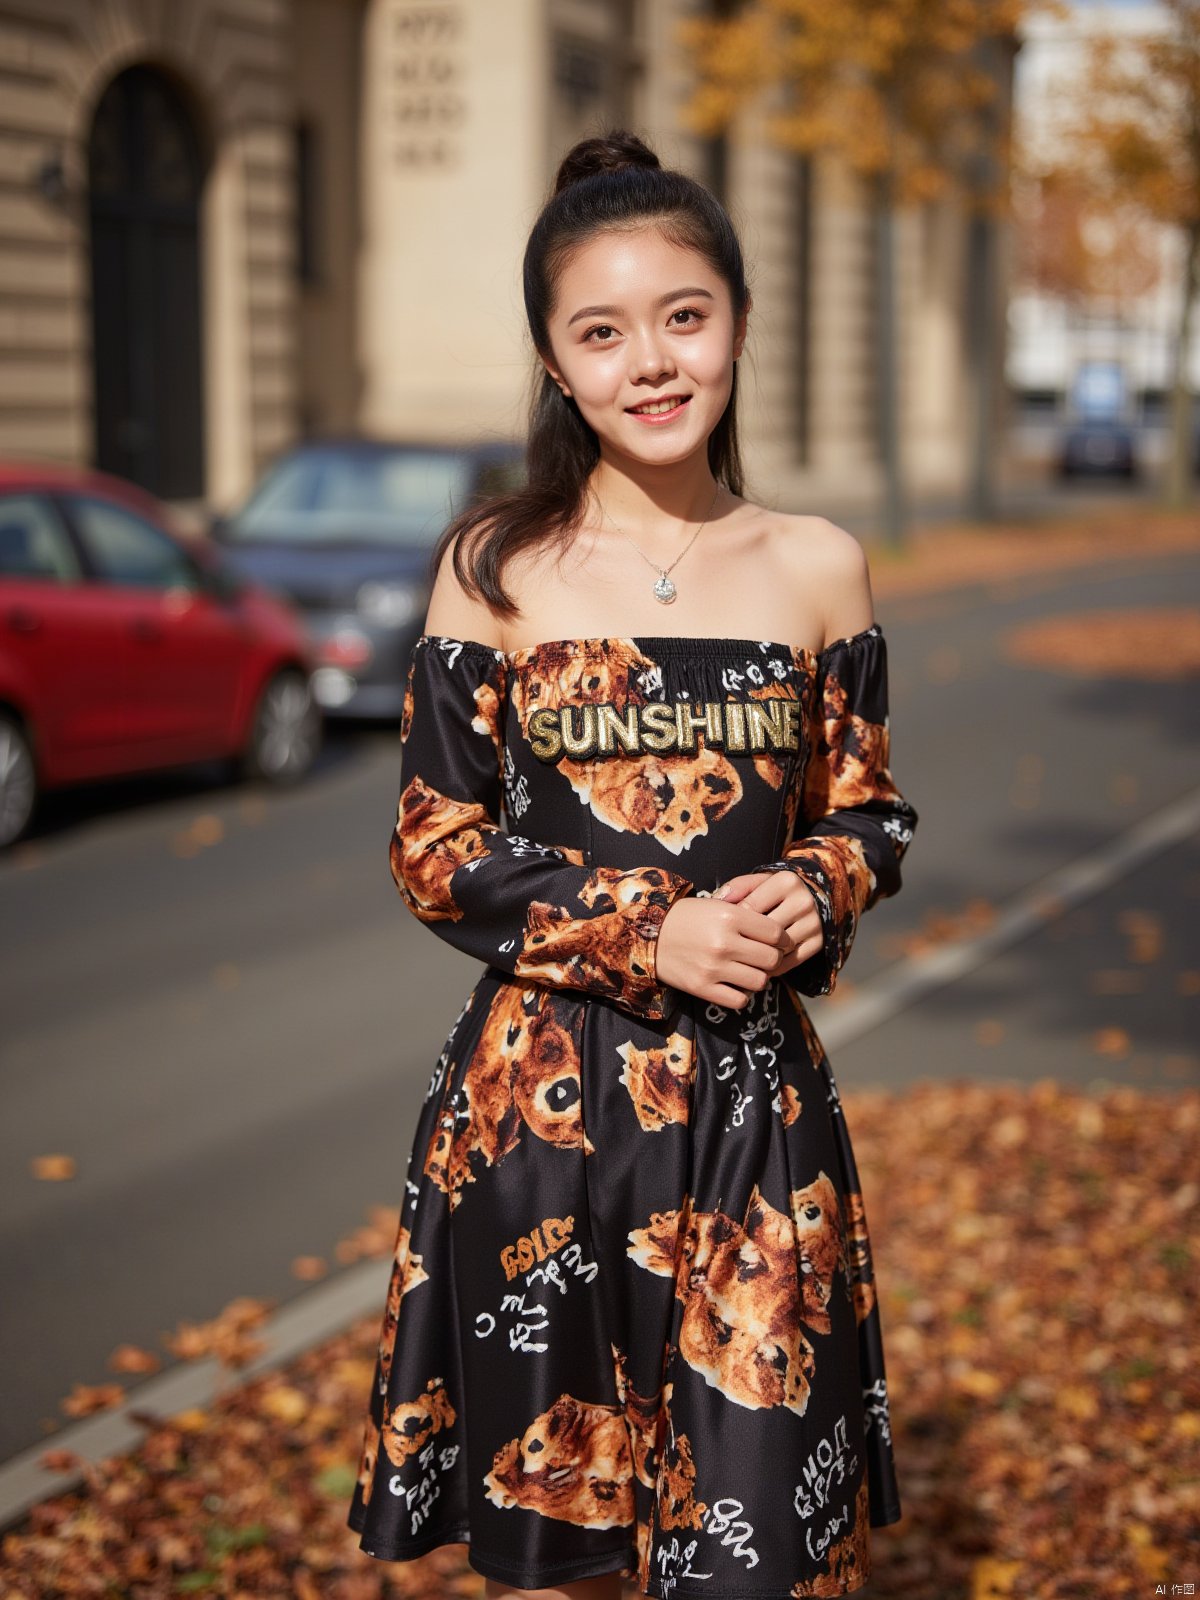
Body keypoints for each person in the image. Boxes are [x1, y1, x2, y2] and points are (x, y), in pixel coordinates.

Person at [347, 128, 918, 1600]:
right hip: (539, 1119)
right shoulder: (495, 568)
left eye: (684, 316)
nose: (650, 362)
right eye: (601, 333)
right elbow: (433, 848)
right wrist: (643, 931)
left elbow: (870, 814)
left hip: (752, 1119)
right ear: (554, 362)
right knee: (565, 1555)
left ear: (735, 319)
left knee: (752, 1564)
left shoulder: (817, 563)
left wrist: (818, 885)